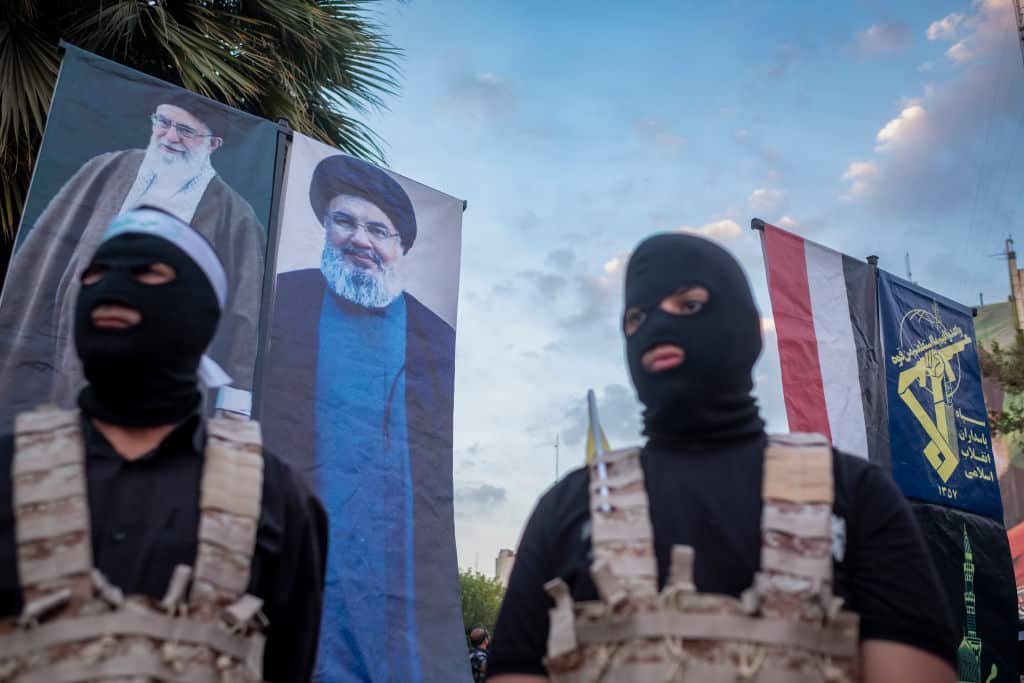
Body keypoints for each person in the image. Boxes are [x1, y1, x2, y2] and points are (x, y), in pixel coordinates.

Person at [487, 232, 959, 682]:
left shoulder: (854, 497)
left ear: (744, 327)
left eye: (688, 305)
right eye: (636, 318)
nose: (657, 328)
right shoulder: (569, 507)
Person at [0, 207, 326, 682]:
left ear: (199, 312)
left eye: (147, 274)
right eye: (94, 275)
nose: (110, 289)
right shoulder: (8, 468)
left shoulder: (276, 498)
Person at [261, 154, 456, 681]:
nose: (360, 240)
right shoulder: (278, 299)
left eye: (378, 230)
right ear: (325, 229)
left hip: (394, 568)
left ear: (401, 247)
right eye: (344, 222)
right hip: (287, 550)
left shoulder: (436, 338)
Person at [0, 95, 266, 434]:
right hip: (73, 353)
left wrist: (233, 406)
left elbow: (244, 313)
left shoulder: (236, 216)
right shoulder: (107, 169)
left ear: (213, 143)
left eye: (185, 130)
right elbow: (49, 254)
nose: (170, 137)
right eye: (163, 122)